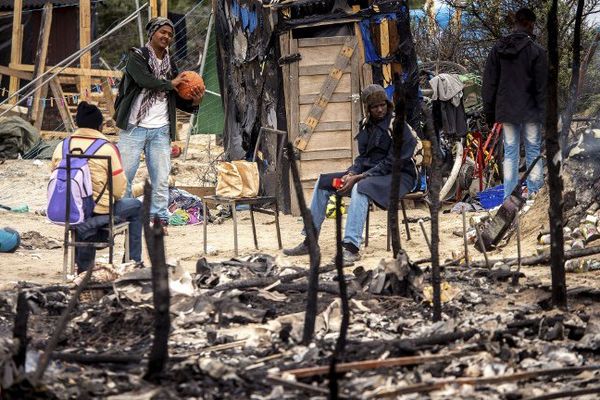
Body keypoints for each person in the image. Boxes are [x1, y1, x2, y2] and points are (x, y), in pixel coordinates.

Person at [283, 84, 418, 265]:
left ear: (387, 104)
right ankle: (310, 240)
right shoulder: (366, 125)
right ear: (368, 109)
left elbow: (393, 162)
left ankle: (351, 248)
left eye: (382, 105)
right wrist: (352, 172)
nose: (380, 109)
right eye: (374, 106)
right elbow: (363, 158)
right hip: (372, 174)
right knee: (323, 182)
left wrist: (360, 177)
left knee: (360, 188)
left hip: (400, 176)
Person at [114, 17, 204, 233]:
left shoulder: (170, 64)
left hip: (161, 129)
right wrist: (171, 82)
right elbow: (146, 81)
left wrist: (195, 102)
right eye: (162, 32)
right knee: (125, 176)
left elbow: (175, 94)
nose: (166, 37)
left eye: (170, 34)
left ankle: (159, 220)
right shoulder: (137, 58)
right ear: (152, 33)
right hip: (134, 127)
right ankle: (126, 219)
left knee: (161, 179)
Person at [51, 102, 143, 273]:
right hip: (99, 213)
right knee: (136, 207)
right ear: (100, 126)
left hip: (69, 212)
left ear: (77, 124)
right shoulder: (107, 148)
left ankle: (82, 264)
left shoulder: (61, 146)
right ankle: (133, 261)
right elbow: (118, 191)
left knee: (84, 211)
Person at [483, 7, 547, 199]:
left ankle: (509, 197)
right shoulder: (537, 51)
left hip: (507, 111)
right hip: (530, 111)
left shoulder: (498, 49)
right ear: (530, 24)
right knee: (533, 150)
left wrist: (490, 114)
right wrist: (546, 116)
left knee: (510, 152)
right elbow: (542, 88)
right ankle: (535, 195)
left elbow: (489, 83)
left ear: (516, 23)